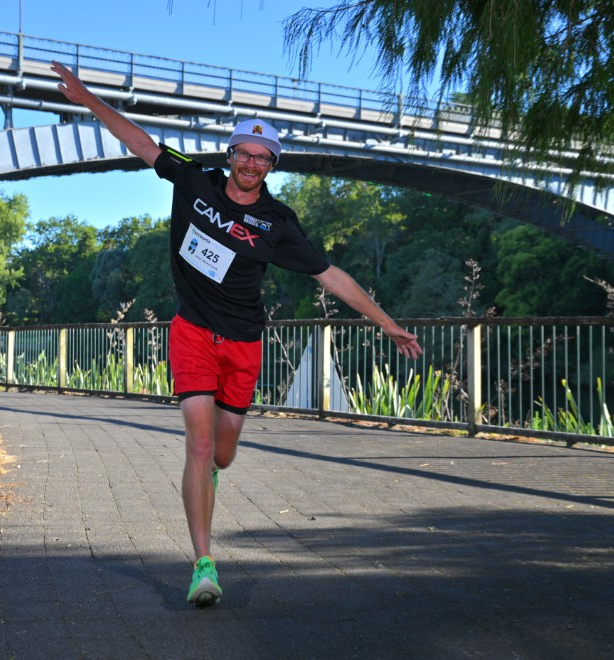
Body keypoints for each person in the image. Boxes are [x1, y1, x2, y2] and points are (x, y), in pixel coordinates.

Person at [50, 60, 423, 608]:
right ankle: (203, 564)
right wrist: (88, 99)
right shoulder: (194, 179)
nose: (251, 163)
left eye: (262, 157)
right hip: (192, 331)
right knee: (198, 444)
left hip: (244, 342)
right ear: (230, 156)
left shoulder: (278, 221)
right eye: (243, 154)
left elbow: (330, 276)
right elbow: (141, 142)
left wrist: (388, 324)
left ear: (272, 165)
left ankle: (212, 475)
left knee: (221, 454)